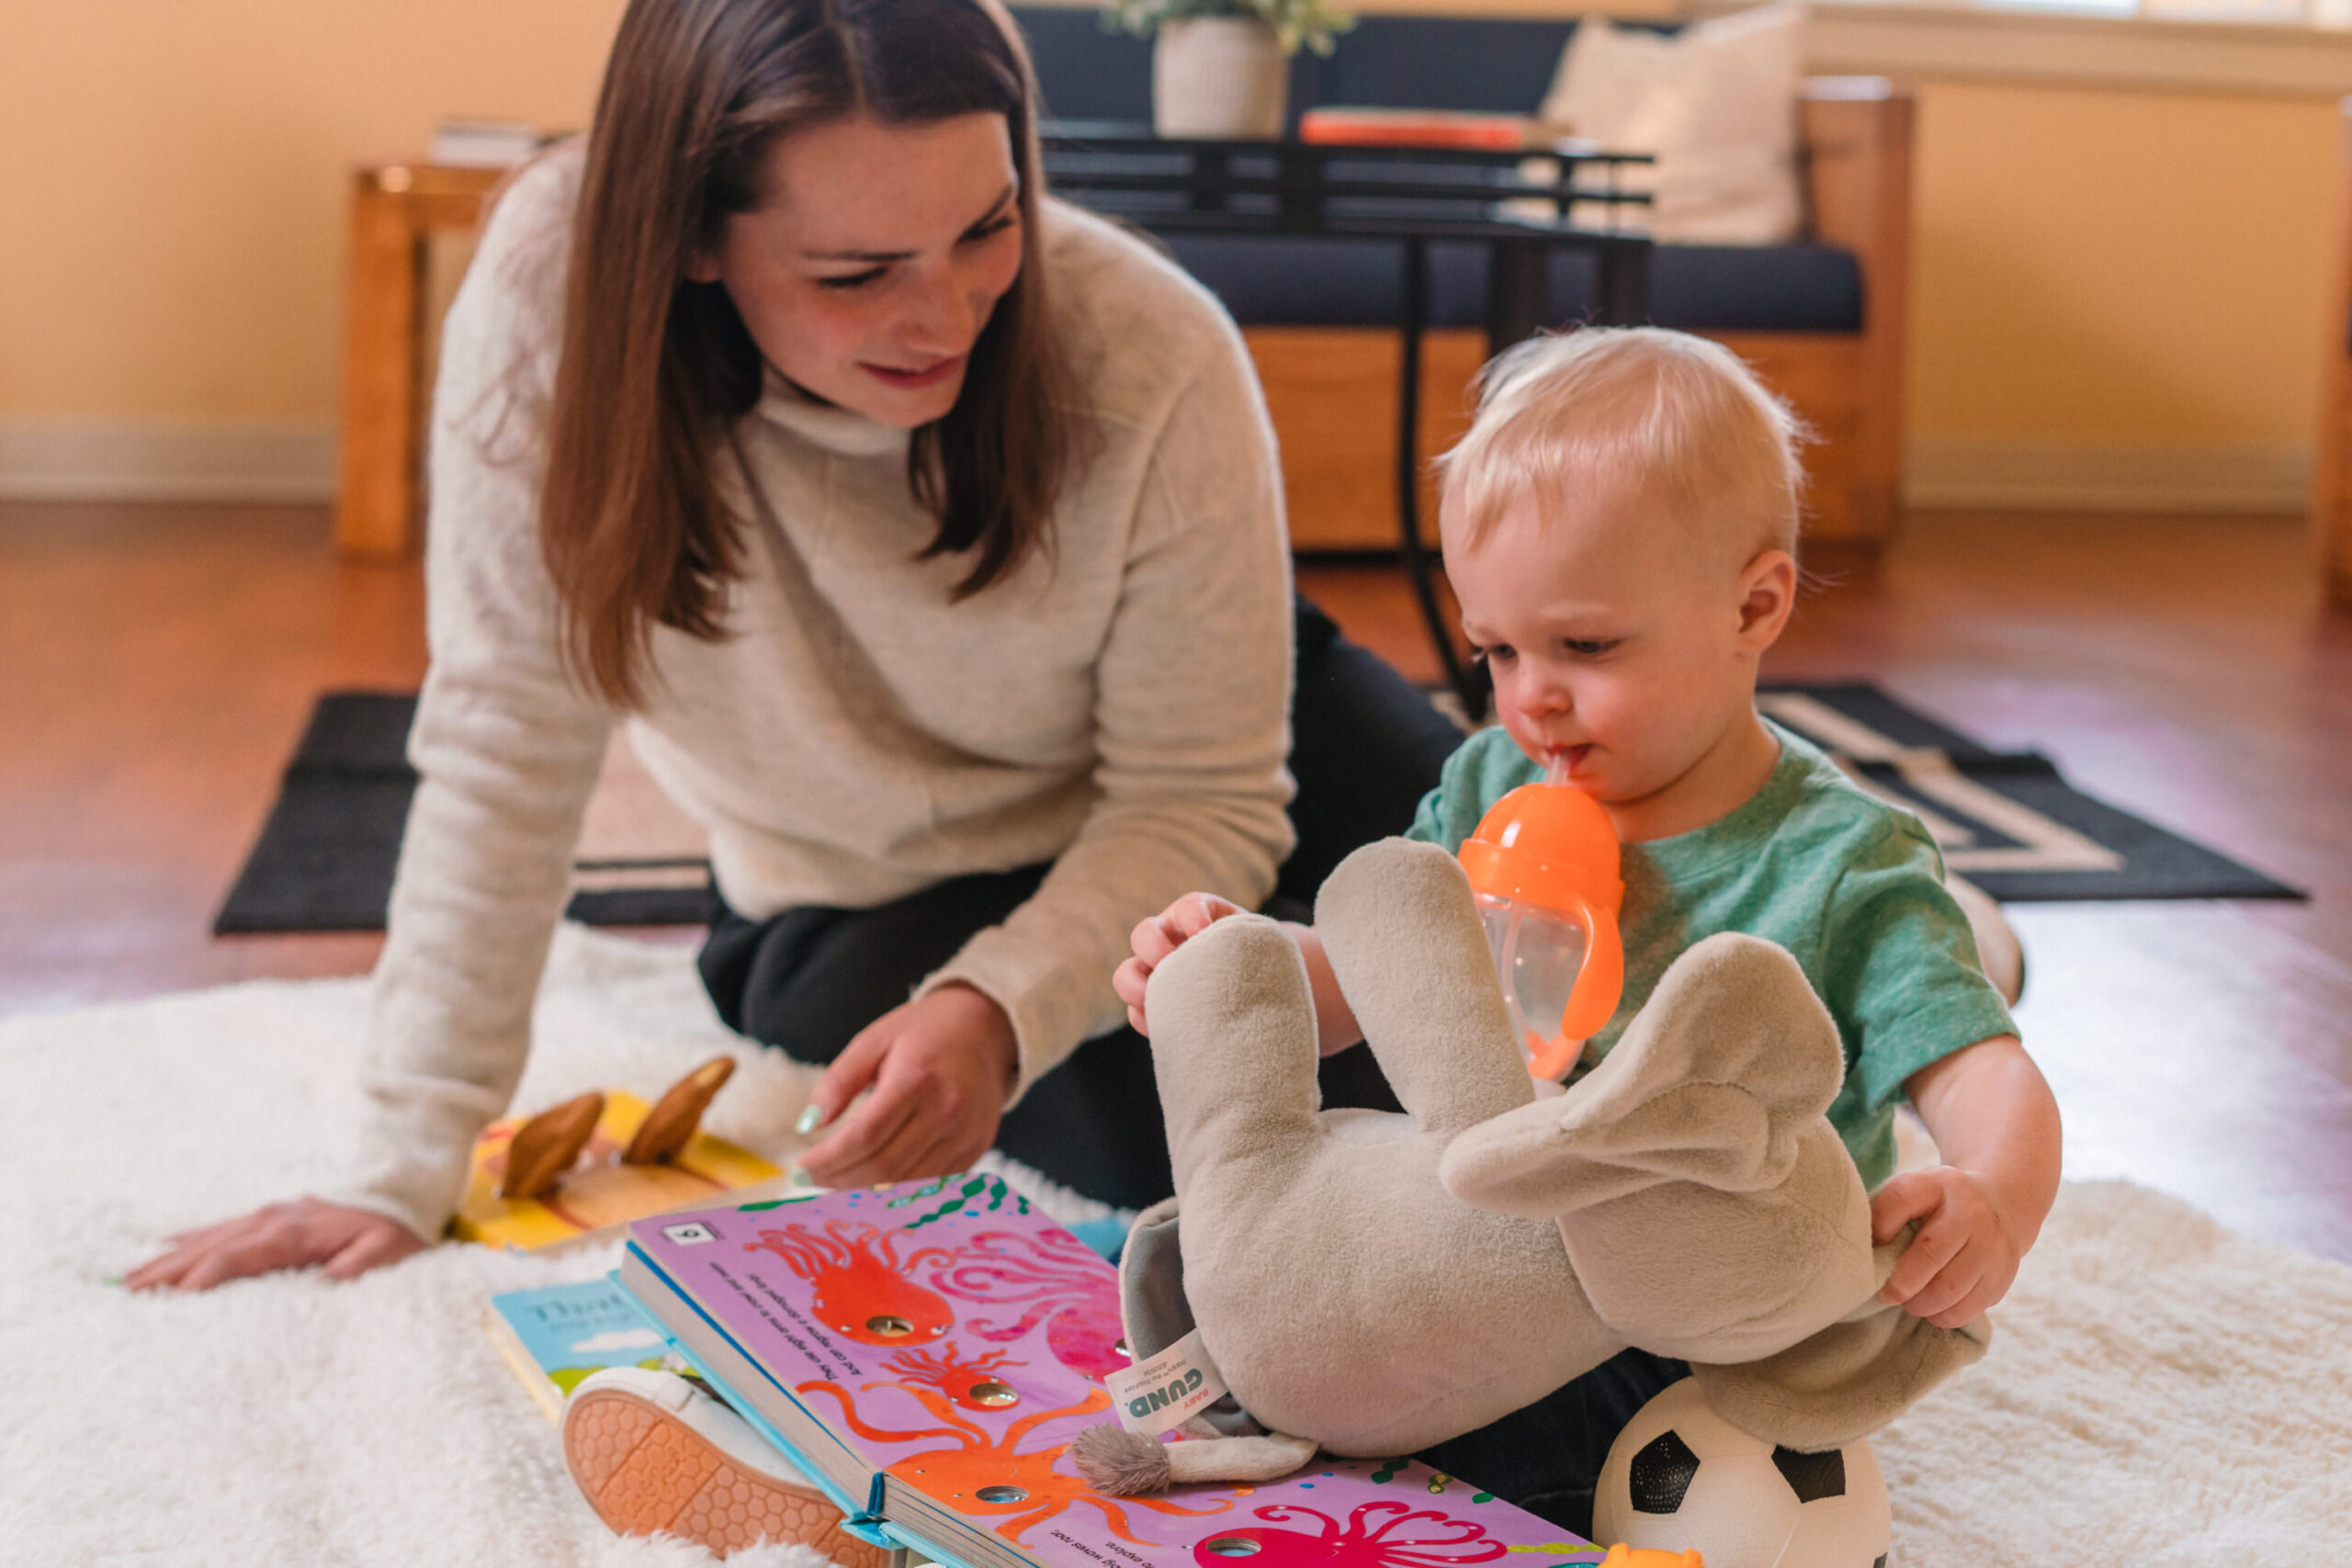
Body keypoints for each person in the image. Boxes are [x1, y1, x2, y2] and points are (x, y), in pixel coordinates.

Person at [130, 0, 1458, 1295]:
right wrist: (399, 1160)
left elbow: (1198, 793)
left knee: (1551, 968)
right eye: (857, 273)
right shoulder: (556, 295)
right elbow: (502, 743)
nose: (946, 315)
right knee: (1300, 1126)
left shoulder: (1148, 343)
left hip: (1209, 759)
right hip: (867, 891)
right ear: (694, 239)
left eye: (988, 227)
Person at [1116, 326, 2064, 1533]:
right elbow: (1384, 982)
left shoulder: (1843, 863)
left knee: (1517, 1456)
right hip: (1479, 1239)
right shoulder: (1489, 781)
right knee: (1283, 1287)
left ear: (1754, 605)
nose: (1529, 695)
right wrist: (1234, 975)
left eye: (1585, 647)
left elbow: (1982, 1071)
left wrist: (1993, 1194)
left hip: (1701, 1310)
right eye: (1496, 649)